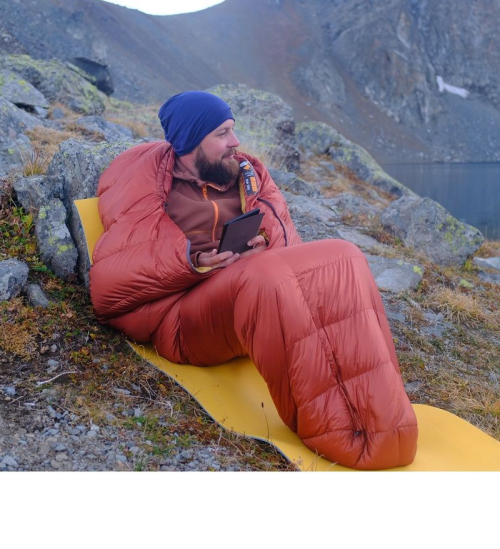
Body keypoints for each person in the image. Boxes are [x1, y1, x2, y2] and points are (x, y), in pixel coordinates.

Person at [90, 91, 418, 469]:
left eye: (233, 130)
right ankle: (334, 432)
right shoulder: (145, 183)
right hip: (179, 316)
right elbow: (109, 291)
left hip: (247, 295)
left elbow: (291, 249)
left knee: (343, 256)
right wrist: (195, 263)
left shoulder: (246, 173)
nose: (235, 142)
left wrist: (264, 247)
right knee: (267, 276)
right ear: (189, 143)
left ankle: (384, 422)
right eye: (222, 133)